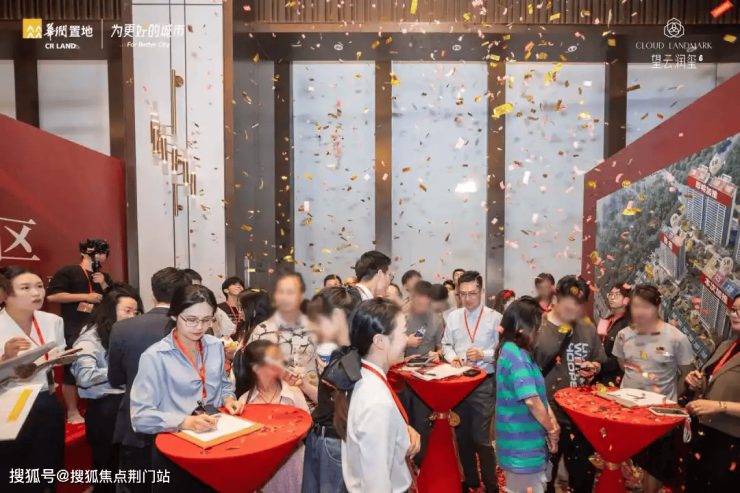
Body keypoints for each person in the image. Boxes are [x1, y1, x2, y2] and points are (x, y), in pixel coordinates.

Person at [130, 284, 244, 491]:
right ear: (174, 315)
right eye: (191, 319)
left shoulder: (214, 346)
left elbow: (223, 385)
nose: (199, 327)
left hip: (215, 441)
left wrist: (229, 399)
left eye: (207, 320)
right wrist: (184, 422)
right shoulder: (155, 356)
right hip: (176, 451)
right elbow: (140, 416)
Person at [108, 267, 190, 489]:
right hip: (182, 421)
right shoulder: (195, 329)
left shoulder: (122, 328)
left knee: (136, 485)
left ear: (153, 294)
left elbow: (115, 378)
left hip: (136, 424)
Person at [613, 284, 694, 493]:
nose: (640, 312)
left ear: (657, 307)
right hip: (627, 414)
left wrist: (666, 399)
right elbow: (623, 366)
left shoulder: (676, 338)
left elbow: (688, 374)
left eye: (645, 306)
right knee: (627, 467)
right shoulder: (623, 335)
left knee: (654, 470)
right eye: (636, 306)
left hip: (659, 418)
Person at [533, 275, 606, 493]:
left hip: (581, 416)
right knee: (544, 478)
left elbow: (599, 360)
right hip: (549, 413)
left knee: (582, 478)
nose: (575, 309)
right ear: (557, 298)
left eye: (579, 304)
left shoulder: (587, 327)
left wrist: (594, 367)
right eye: (570, 303)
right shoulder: (539, 326)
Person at [341, 298, 421, 492]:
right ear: (379, 341)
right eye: (403, 332)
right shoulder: (376, 402)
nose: (406, 339)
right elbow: (376, 483)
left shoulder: (365, 376)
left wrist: (403, 430)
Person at [0, 266, 69, 492]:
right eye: (25, 288)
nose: (36, 293)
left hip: (45, 400)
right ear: (5, 294)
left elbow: (57, 354)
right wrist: (5, 358)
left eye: (39, 286)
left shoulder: (52, 321)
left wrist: (62, 358)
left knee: (47, 466)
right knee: (11, 470)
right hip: (9, 404)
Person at [71, 285, 143, 493]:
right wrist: (119, 371)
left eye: (135, 312)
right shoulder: (90, 338)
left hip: (126, 404)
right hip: (105, 408)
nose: (132, 317)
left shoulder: (123, 334)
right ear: (111, 310)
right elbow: (84, 377)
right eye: (127, 311)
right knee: (105, 466)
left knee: (125, 464)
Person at [440, 270, 501, 493]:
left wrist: (484, 354)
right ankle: (471, 482)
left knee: (481, 438)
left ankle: (491, 485)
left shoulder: (495, 318)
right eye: (463, 294)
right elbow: (446, 344)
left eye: (472, 293)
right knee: (462, 435)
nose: (467, 299)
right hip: (459, 381)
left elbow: (502, 350)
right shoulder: (454, 317)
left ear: (481, 292)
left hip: (484, 381)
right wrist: (451, 357)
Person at [495, 297, 559, 493]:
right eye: (537, 327)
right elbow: (531, 400)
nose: (539, 331)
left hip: (525, 440)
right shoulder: (515, 355)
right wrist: (551, 429)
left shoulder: (516, 351)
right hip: (521, 444)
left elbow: (537, 394)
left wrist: (552, 421)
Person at [302, 287, 361, 493]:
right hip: (317, 435)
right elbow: (326, 401)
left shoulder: (355, 355)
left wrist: (332, 374)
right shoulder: (334, 352)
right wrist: (304, 385)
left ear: (337, 317)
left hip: (336, 442)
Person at [47, 238, 112, 423]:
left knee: (100, 365)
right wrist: (85, 296)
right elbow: (52, 296)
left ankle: (95, 406)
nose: (100, 255)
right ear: (83, 252)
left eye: (103, 252)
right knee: (71, 370)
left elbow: (114, 300)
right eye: (96, 251)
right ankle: (72, 411)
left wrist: (105, 285)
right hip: (74, 327)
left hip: (100, 329)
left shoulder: (104, 276)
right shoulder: (68, 271)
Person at [233, 340, 308, 493]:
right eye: (273, 360)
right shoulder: (244, 402)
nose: (281, 363)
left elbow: (306, 428)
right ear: (256, 368)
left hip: (294, 465)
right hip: (262, 471)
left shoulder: (292, 393)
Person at [684, 294, 740, 491]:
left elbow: (718, 402)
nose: (735, 315)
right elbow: (712, 382)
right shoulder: (727, 346)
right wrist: (698, 382)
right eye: (734, 310)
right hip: (704, 435)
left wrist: (719, 407)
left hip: (731, 444)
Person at [248, 272, 318, 402]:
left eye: (291, 292)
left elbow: (327, 386)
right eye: (281, 292)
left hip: (311, 405)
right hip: (271, 405)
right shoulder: (261, 331)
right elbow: (248, 375)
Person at [401, 280, 444, 465]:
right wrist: (405, 344)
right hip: (402, 377)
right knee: (403, 421)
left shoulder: (437, 318)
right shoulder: (401, 317)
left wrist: (437, 355)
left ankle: (421, 464)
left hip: (425, 378)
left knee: (422, 423)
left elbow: (441, 348)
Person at [596, 283, 631, 387]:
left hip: (617, 376)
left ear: (627, 299)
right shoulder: (607, 319)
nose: (612, 297)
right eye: (611, 294)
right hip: (600, 373)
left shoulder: (628, 323)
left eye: (617, 295)